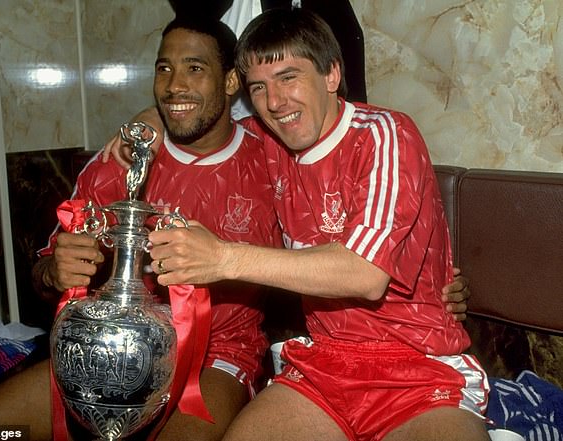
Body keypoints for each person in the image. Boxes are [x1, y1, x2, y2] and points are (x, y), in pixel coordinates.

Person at [0, 13, 470, 441]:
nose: (176, 86)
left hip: (222, 356)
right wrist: (53, 272)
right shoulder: (125, 160)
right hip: (110, 350)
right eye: (164, 71)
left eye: (195, 69)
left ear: (228, 81)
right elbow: (45, 272)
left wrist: (429, 275)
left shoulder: (272, 149)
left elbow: (368, 256)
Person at [130, 9, 489, 441]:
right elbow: (204, 122)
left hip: (417, 366)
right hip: (326, 366)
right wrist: (149, 120)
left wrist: (223, 257)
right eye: (259, 87)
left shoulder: (384, 133)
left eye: (289, 77)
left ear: (332, 74)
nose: (275, 102)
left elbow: (367, 274)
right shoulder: (268, 141)